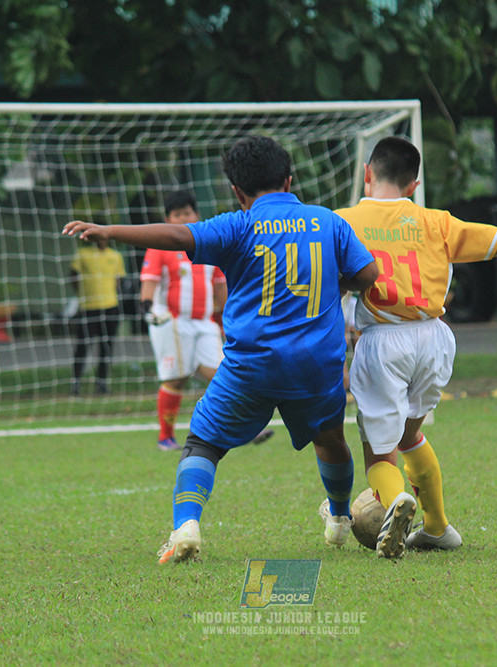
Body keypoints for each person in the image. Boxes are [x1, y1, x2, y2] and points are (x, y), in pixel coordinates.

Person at [63, 135, 378, 564]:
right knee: (330, 439)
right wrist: (339, 285)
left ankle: (186, 526)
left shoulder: (238, 225)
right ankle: (340, 518)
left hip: (253, 364)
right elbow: (369, 274)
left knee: (204, 444)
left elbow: (177, 235)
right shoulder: (330, 222)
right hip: (316, 365)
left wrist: (110, 231)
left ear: (237, 191)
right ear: (289, 180)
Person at [335, 136, 497, 558]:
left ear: (367, 174)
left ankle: (394, 500)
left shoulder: (342, 221)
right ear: (414, 186)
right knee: (410, 434)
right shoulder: (437, 221)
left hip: (383, 339)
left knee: (378, 450)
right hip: (435, 337)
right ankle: (437, 528)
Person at [139, 190, 274, 452]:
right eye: (176, 215)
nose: (182, 219)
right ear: (167, 219)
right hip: (172, 322)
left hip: (205, 322)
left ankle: (245, 429)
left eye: (187, 213)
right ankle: (165, 438)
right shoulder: (160, 246)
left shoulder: (208, 246)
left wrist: (227, 318)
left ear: (196, 215)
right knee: (177, 378)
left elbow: (221, 287)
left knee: (226, 375)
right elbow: (150, 280)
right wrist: (147, 306)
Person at [68, 235, 126, 396]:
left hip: (110, 306)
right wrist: (82, 293)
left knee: (106, 347)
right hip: (88, 307)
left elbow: (119, 279)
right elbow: (73, 275)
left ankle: (101, 382)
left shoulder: (115, 256)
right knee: (82, 346)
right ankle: (76, 382)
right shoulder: (82, 254)